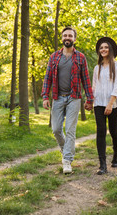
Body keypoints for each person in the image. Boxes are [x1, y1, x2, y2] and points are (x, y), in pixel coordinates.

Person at [42, 27, 93, 174]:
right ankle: (66, 150)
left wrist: (89, 99)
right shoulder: (54, 57)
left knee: (70, 129)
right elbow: (48, 78)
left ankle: (67, 161)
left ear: (74, 39)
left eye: (70, 35)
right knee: (56, 129)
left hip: (74, 98)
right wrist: (45, 96)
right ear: (62, 38)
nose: (67, 37)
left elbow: (86, 79)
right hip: (57, 97)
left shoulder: (80, 57)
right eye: (65, 35)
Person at [92, 37, 117, 175]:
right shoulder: (96, 68)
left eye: (105, 47)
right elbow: (94, 87)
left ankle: (116, 156)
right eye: (101, 48)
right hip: (98, 103)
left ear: (110, 50)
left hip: (113, 105)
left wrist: (110, 104)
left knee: (113, 132)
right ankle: (102, 165)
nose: (103, 49)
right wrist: (89, 101)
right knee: (100, 132)